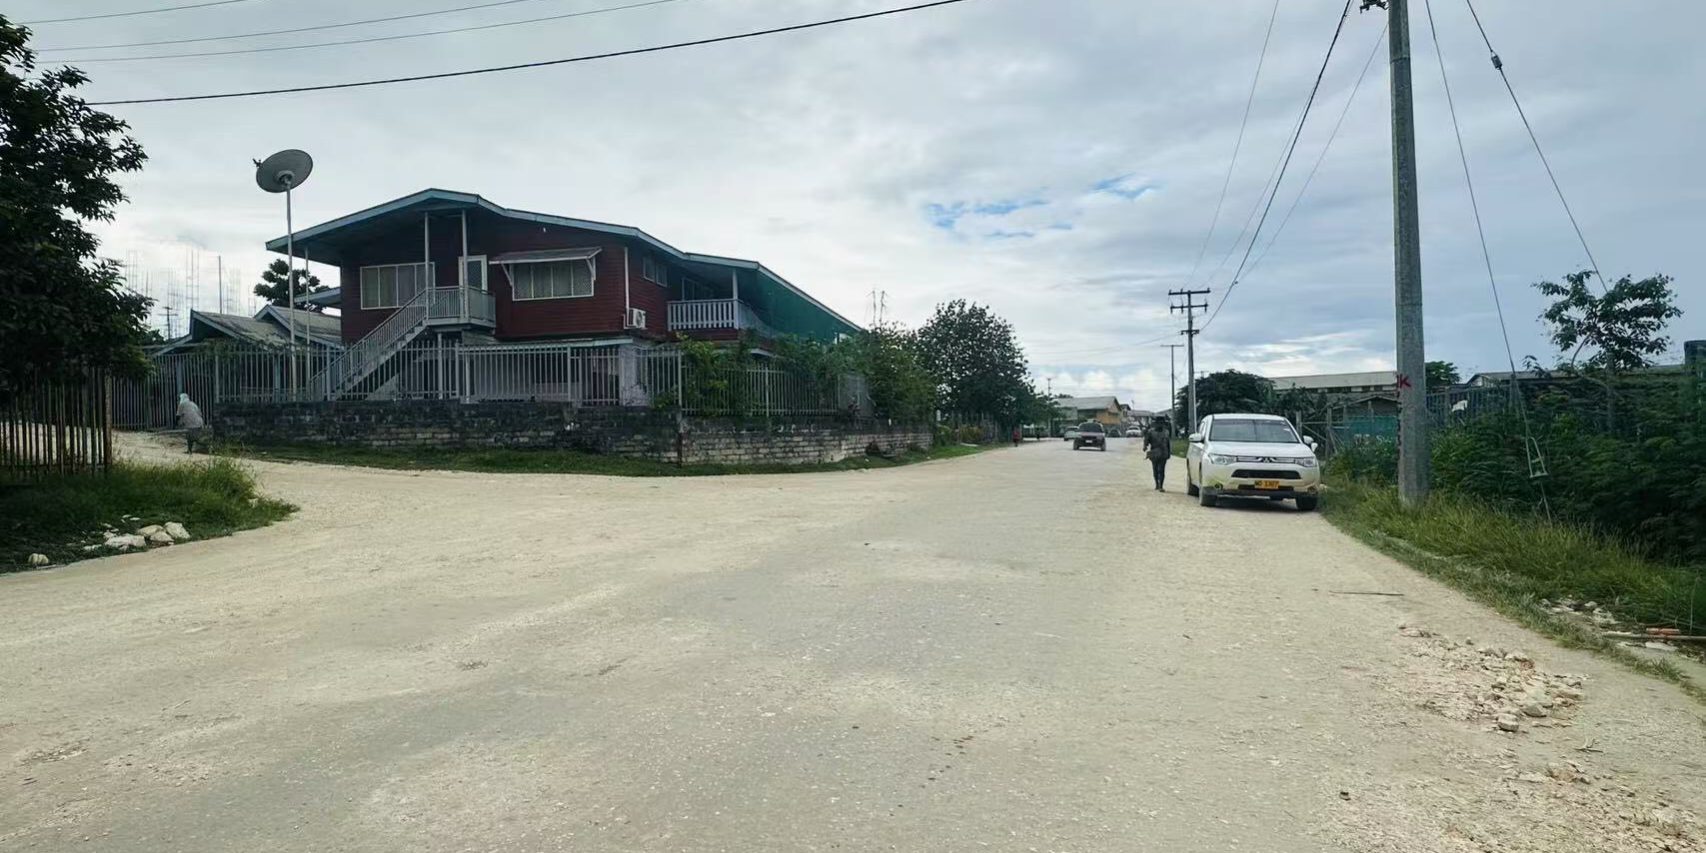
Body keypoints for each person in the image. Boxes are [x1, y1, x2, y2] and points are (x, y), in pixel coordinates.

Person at [1142, 417, 1173, 491]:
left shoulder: (1166, 432)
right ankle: (1157, 484)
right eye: (1159, 423)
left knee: (1161, 470)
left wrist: (1169, 453)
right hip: (1154, 453)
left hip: (1163, 453)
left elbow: (1168, 443)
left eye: (1162, 423)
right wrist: (1145, 446)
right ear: (1155, 424)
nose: (1160, 425)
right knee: (1155, 469)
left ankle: (1161, 486)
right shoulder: (1151, 432)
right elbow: (1146, 441)